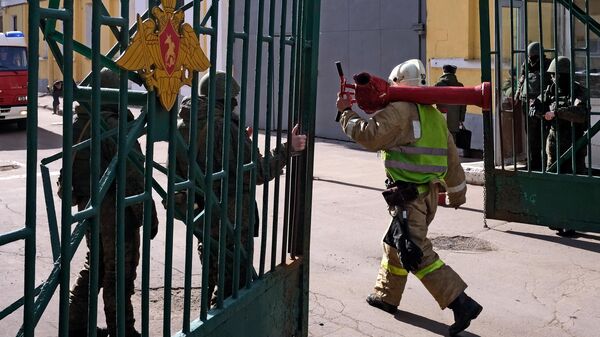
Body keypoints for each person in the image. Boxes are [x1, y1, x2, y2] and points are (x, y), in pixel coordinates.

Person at [335, 59, 482, 336]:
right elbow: (452, 159)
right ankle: (386, 296)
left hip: (409, 199)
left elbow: (370, 136)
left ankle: (461, 303)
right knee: (393, 243)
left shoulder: (401, 111)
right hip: (427, 197)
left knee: (415, 253)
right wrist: (457, 192)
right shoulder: (433, 115)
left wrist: (345, 113)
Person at [175, 71, 307, 306]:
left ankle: (206, 319)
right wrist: (288, 148)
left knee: (212, 271)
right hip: (231, 217)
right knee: (233, 284)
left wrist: (236, 143)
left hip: (201, 213)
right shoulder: (225, 127)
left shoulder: (185, 123)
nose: (235, 103)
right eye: (233, 98)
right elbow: (256, 172)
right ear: (225, 99)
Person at [67, 68, 159, 337]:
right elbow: (133, 175)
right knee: (119, 271)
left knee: (96, 266)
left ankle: (75, 325)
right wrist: (147, 213)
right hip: (116, 209)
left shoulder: (81, 122)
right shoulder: (113, 125)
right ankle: (123, 330)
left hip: (90, 207)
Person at [530, 56, 588, 236]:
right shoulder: (550, 90)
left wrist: (556, 113)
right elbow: (535, 106)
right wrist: (540, 112)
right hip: (554, 142)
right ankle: (555, 218)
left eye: (557, 75)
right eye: (553, 75)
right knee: (554, 180)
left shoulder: (578, 91)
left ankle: (572, 221)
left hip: (574, 142)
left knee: (573, 182)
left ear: (566, 75)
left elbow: (580, 114)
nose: (554, 78)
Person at [516, 41, 552, 171]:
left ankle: (546, 163)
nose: (532, 59)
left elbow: (552, 83)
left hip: (542, 104)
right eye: (530, 56)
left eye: (534, 56)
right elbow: (522, 79)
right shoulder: (526, 64)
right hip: (527, 102)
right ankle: (533, 162)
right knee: (531, 136)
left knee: (544, 134)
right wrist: (517, 94)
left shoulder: (548, 64)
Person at [434, 64, 466, 142]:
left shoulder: (438, 85)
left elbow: (432, 101)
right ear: (454, 72)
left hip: (441, 119)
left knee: (440, 141)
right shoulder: (460, 86)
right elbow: (463, 105)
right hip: (454, 121)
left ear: (444, 71)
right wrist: (461, 119)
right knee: (452, 143)